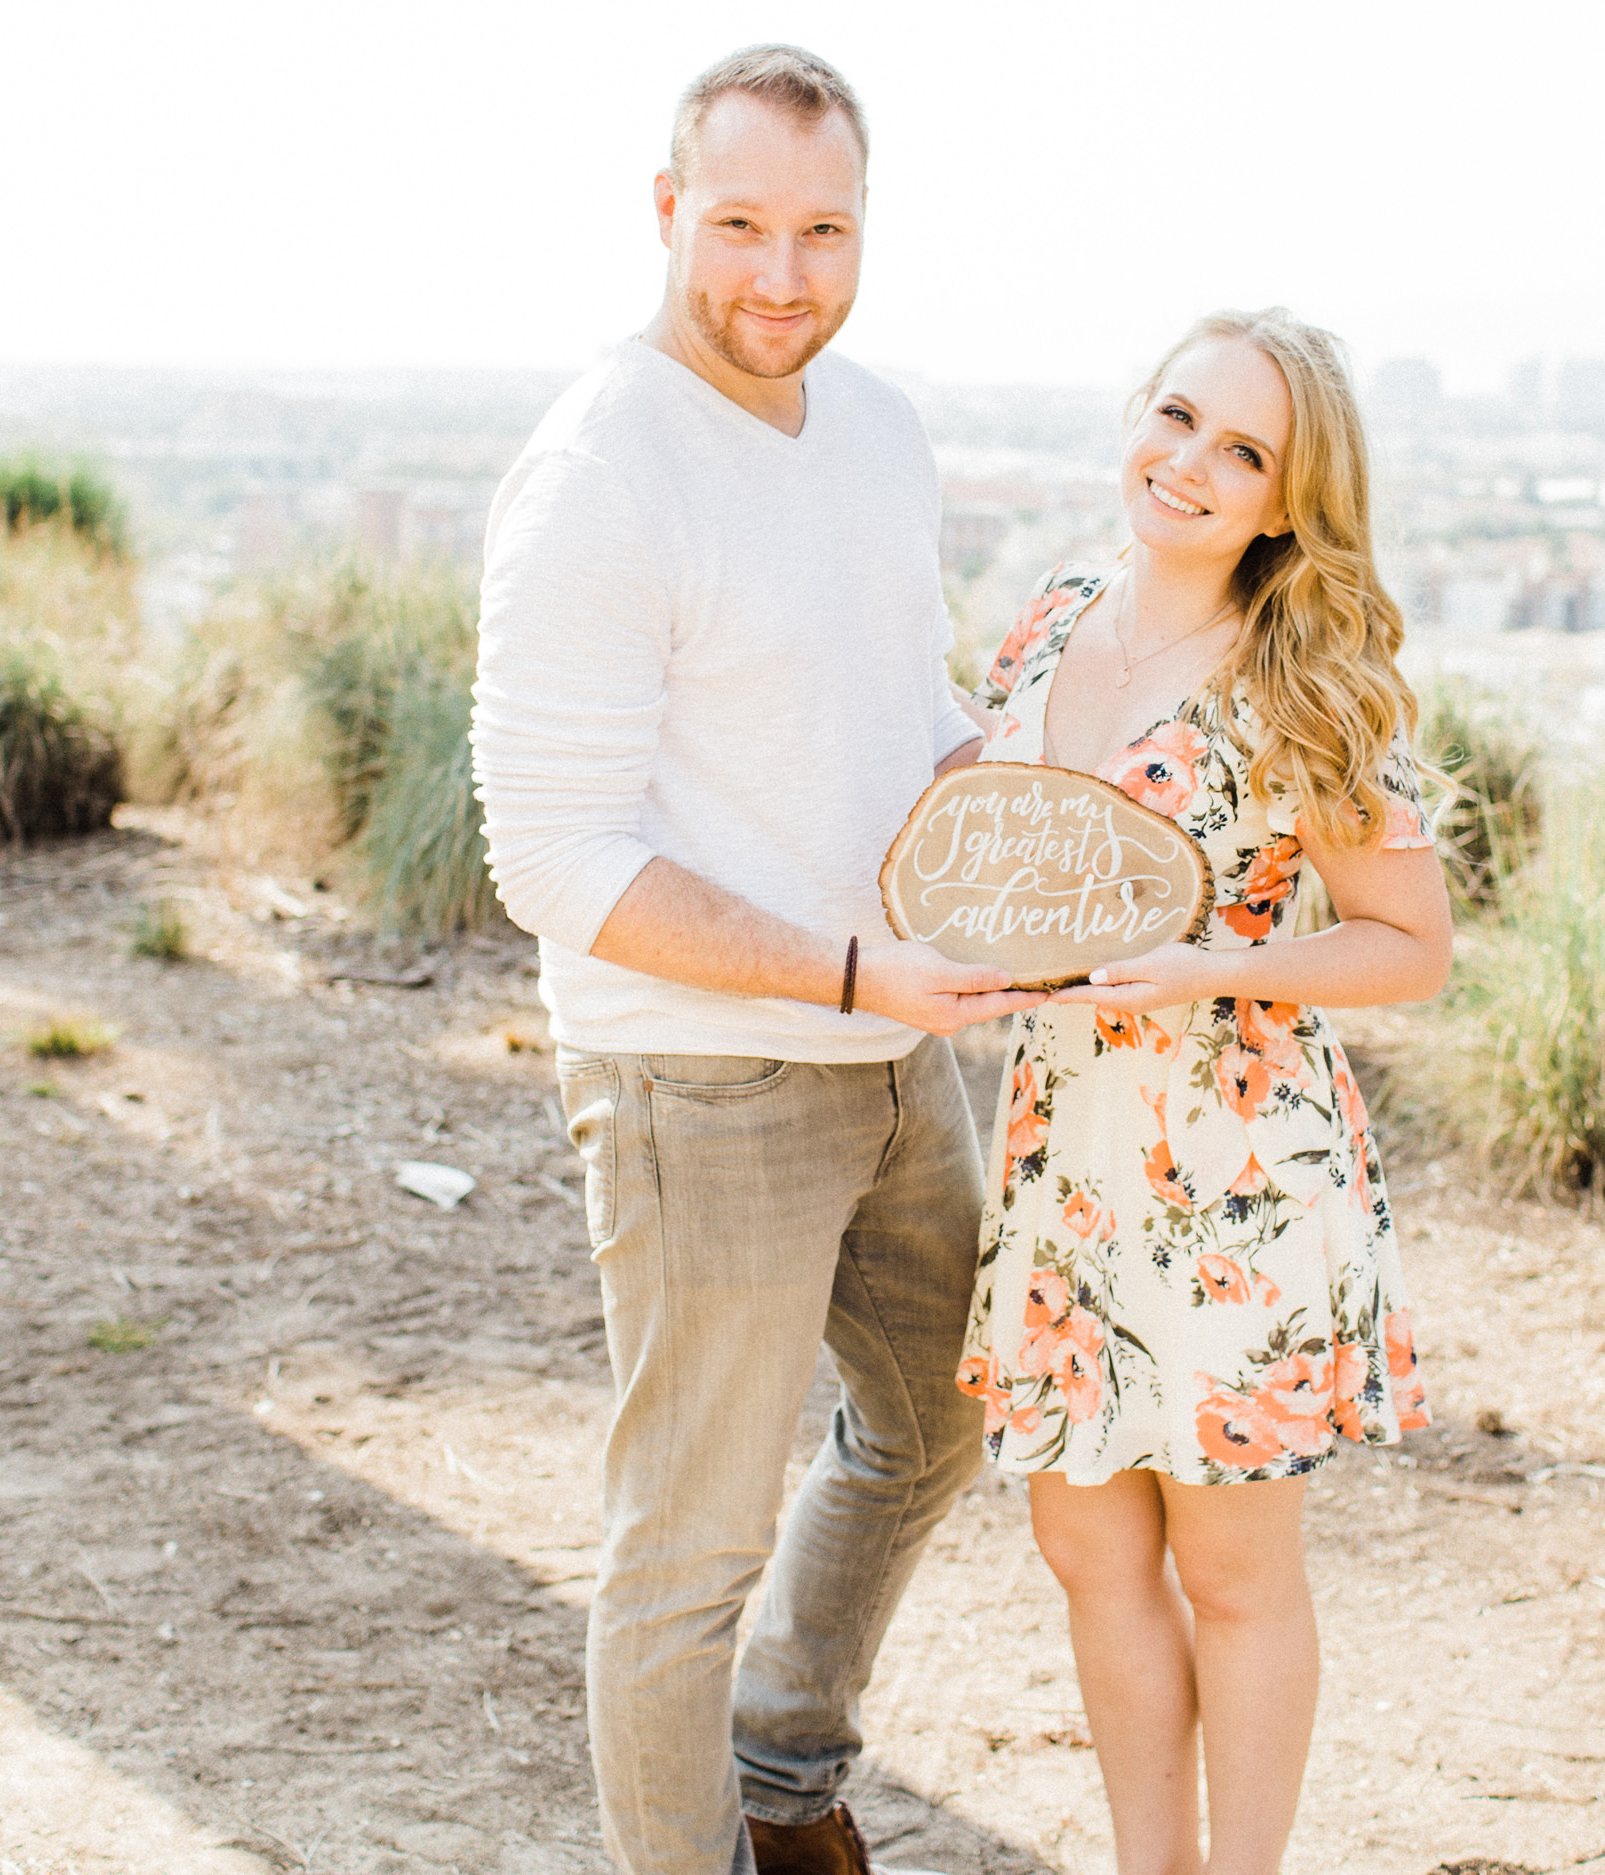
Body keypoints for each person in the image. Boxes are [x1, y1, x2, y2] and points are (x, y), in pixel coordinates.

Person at [469, 45, 1035, 1875]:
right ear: (664, 215)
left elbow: (902, 712)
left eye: (821, 230)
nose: (779, 278)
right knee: (681, 1557)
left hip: (886, 1054)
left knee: (945, 1413)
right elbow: (551, 854)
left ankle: (780, 1779)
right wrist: (853, 980)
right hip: (699, 1078)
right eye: (737, 227)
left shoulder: (877, 424)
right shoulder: (598, 475)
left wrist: (1028, 795)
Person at [954, 309, 1455, 1875]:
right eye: (1177, 417)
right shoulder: (1049, 616)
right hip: (1061, 1155)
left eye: (1245, 450)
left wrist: (1214, 969)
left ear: (1293, 502)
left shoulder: (1312, 676)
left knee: (1235, 1573)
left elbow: (1410, 947)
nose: (1190, 464)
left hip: (1235, 1163)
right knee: (1087, 1551)